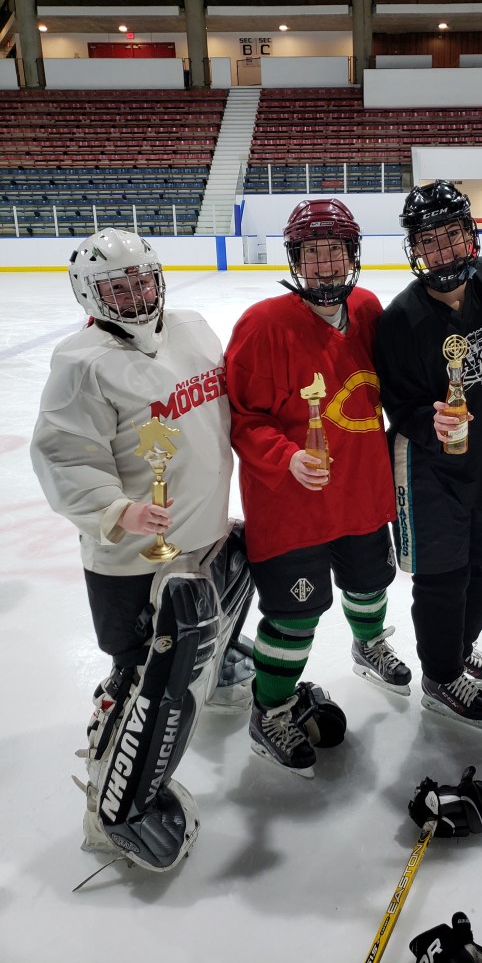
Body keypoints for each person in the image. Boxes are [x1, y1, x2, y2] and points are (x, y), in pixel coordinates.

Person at [30, 227, 255, 873]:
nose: (136, 295)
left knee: (234, 570)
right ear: (90, 295)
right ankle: (112, 810)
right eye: (118, 287)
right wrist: (116, 510)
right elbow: (64, 456)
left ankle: (211, 672)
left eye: (142, 280)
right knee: (142, 679)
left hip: (202, 530)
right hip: (133, 558)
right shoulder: (82, 364)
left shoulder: (192, 328)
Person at [225, 198, 410, 779]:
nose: (324, 265)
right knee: (293, 614)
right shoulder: (262, 325)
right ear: (295, 259)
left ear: (352, 255)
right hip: (291, 506)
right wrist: (286, 459)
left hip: (359, 490)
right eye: (312, 253)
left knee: (370, 584)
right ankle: (271, 709)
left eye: (334, 251)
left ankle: (367, 645)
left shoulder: (369, 309)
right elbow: (242, 417)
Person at [375, 180, 482, 731]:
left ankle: (455, 647)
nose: (442, 250)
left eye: (451, 235)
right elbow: (399, 405)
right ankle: (440, 675)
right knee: (444, 579)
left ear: (470, 235)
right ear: (414, 248)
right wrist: (429, 424)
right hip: (426, 468)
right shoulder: (400, 320)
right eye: (428, 241)